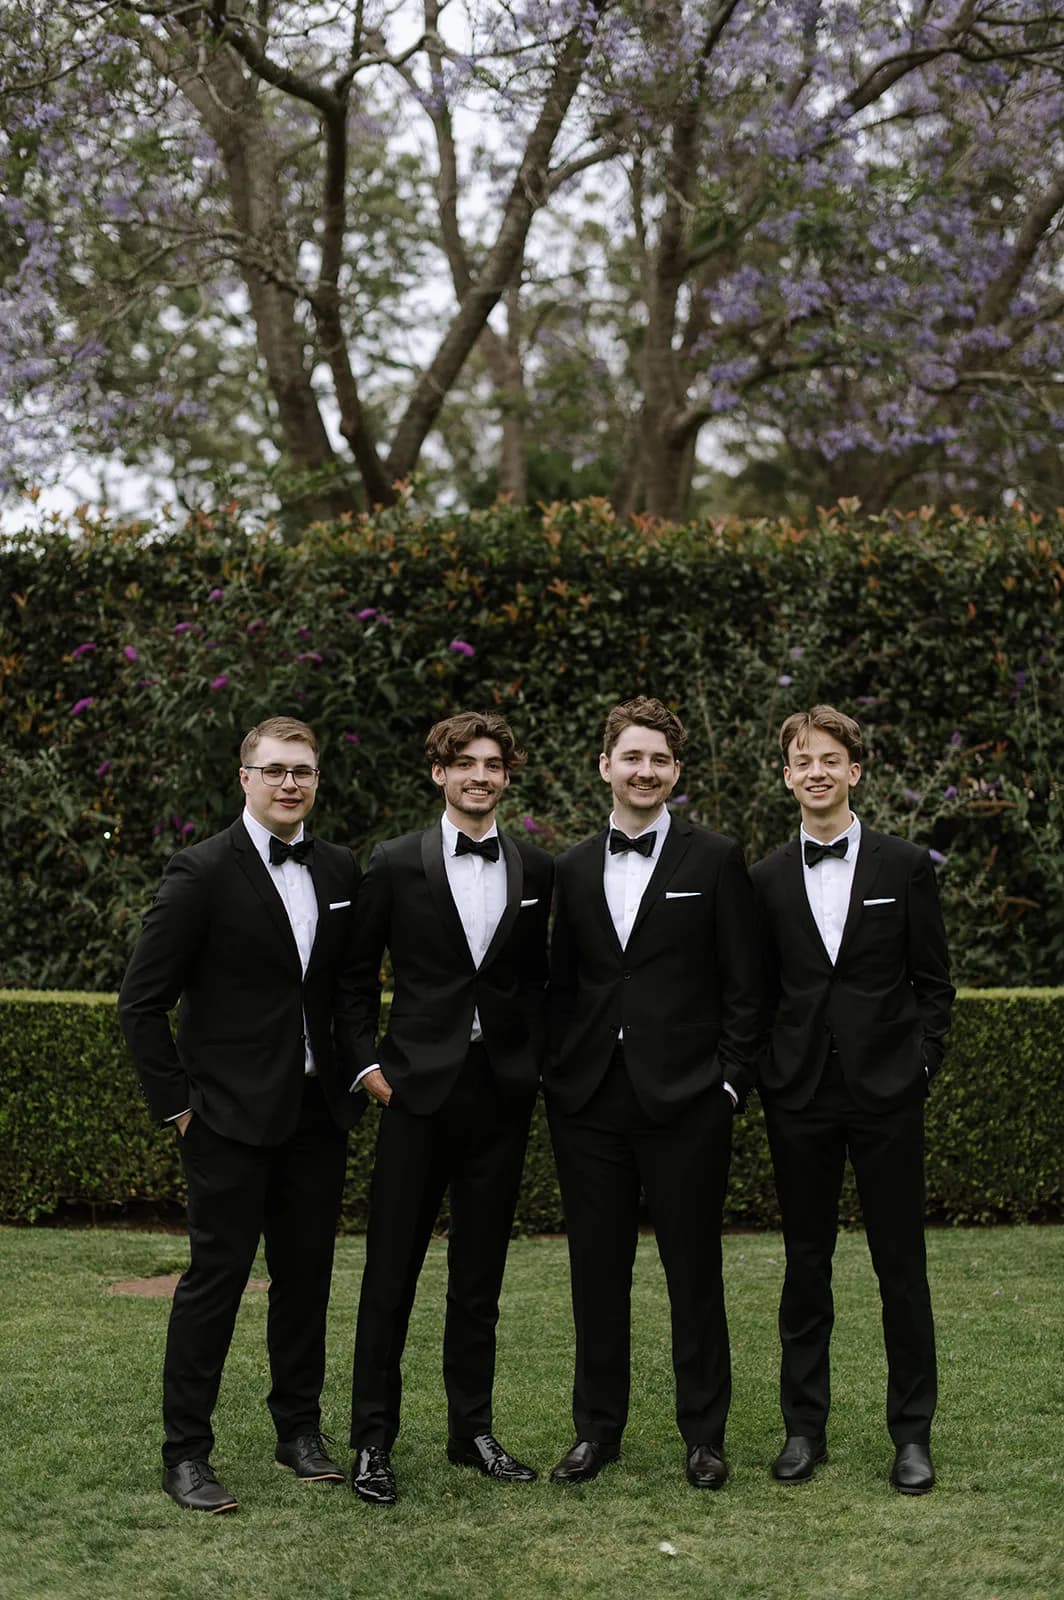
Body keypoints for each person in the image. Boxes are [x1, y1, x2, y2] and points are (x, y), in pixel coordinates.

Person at [118, 715, 364, 1512]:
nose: (291, 782)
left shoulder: (339, 869)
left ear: (317, 781)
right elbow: (141, 1004)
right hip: (224, 1121)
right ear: (245, 778)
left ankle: (299, 1432)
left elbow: (343, 990)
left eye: (304, 770)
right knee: (213, 1285)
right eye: (276, 769)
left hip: (315, 1116)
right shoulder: (199, 872)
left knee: (306, 1282)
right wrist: (179, 1111)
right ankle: (185, 1453)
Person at [544, 696, 761, 1490]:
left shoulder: (715, 859)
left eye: (660, 760)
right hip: (591, 1104)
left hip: (689, 1103)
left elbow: (747, 987)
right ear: (605, 766)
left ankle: (704, 1434)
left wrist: (729, 1085)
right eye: (632, 757)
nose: (646, 771)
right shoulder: (570, 865)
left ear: (676, 771)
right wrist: (559, 1078)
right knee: (596, 1275)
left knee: (693, 1272)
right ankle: (596, 1433)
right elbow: (561, 985)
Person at [338, 710, 553, 1506]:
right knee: (390, 1274)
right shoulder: (393, 863)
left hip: (498, 1093)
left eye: (493, 764)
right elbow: (353, 979)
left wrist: (528, 1064)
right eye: (464, 763)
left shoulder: (537, 867)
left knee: (480, 1278)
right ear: (439, 773)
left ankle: (473, 1432)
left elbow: (535, 981)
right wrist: (367, 1067)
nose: (480, 775)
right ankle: (371, 1442)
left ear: (506, 776)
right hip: (413, 1092)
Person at [751, 704, 955, 1495]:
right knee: (806, 1266)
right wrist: (771, 1070)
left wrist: (921, 1066)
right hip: (798, 1095)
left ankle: (911, 1434)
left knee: (900, 1266)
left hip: (886, 1095)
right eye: (803, 759)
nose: (817, 772)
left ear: (855, 770)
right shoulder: (766, 877)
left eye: (831, 758)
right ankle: (804, 1429)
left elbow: (934, 984)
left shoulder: (904, 866)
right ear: (788, 773)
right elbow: (757, 991)